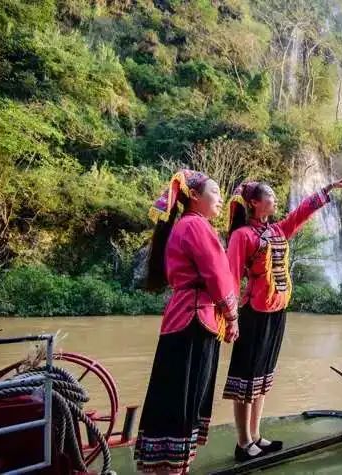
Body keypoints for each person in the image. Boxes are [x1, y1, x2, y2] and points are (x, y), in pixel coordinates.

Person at [223, 178, 342, 461]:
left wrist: (327, 189)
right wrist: (230, 317)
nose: (275, 198)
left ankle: (256, 435)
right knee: (246, 381)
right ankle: (243, 443)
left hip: (276, 311)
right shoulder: (242, 235)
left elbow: (300, 214)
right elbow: (230, 276)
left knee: (263, 378)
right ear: (254, 203)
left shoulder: (277, 230)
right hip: (253, 313)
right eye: (270, 195)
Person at [134, 169, 239, 474]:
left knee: (171, 397)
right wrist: (232, 317)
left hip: (181, 317)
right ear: (194, 195)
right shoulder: (196, 226)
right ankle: (175, 468)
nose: (220, 198)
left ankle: (166, 466)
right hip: (196, 318)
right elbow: (218, 276)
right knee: (184, 401)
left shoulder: (184, 225)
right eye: (215, 192)